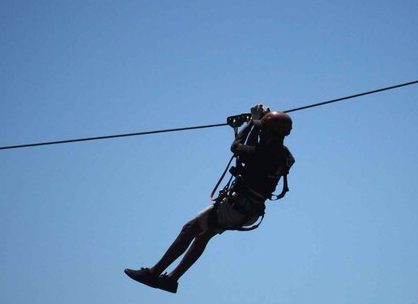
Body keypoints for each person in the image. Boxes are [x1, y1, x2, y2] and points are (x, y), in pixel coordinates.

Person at [125, 105, 295, 293]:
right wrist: (258, 123)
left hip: (236, 207)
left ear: (271, 134)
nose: (261, 133)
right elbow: (254, 148)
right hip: (248, 209)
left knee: (189, 230)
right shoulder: (283, 154)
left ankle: (153, 273)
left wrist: (250, 123)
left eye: (264, 131)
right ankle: (171, 280)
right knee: (203, 236)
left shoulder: (264, 153)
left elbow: (236, 147)